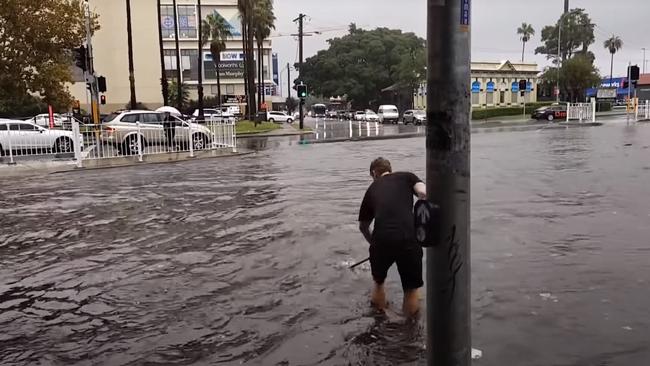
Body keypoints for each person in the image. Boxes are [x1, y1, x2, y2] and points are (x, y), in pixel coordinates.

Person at [358, 157, 427, 316]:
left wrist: (373, 243)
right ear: (390, 169)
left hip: (381, 239)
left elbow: (363, 227)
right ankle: (410, 331)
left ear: (374, 173)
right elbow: (423, 192)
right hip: (408, 236)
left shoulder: (372, 188)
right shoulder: (407, 177)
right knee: (411, 289)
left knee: (379, 282)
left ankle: (380, 322)